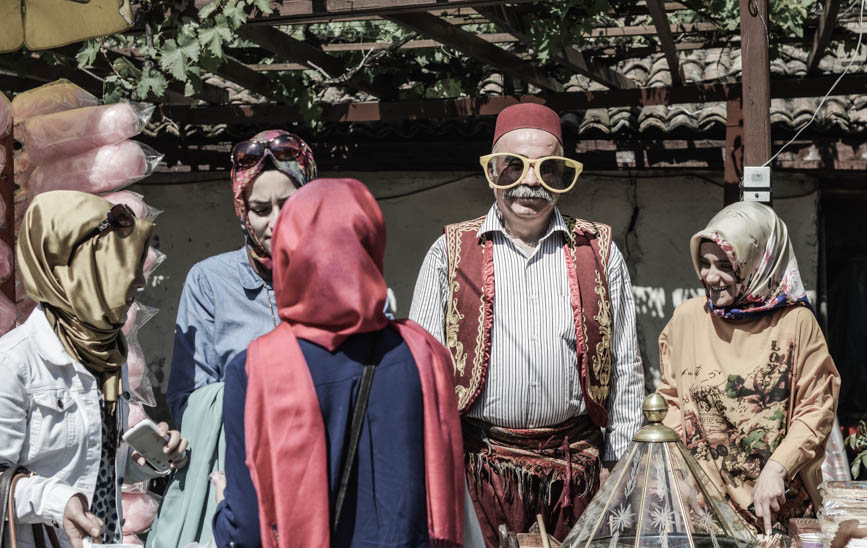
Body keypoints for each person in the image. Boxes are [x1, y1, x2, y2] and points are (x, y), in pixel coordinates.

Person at [409, 103, 644, 545]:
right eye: (512, 167)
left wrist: (620, 468)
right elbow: (421, 377)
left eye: (548, 169)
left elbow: (625, 367)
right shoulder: (449, 253)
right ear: (492, 170)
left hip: (578, 476)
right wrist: (430, 469)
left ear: (563, 175)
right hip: (478, 473)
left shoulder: (600, 251)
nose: (530, 182)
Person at [211, 178, 468, 548]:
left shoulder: (254, 370)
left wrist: (223, 509)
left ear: (287, 252)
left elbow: (248, 531)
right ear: (372, 246)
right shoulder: (424, 354)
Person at [0, 191, 187, 548]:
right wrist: (59, 501)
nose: (139, 282)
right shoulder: (14, 364)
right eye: (120, 266)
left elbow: (99, 466)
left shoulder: (107, 354)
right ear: (73, 270)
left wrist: (144, 457)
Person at [656, 200, 840, 535]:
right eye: (704, 263)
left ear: (758, 263)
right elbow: (670, 401)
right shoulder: (687, 319)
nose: (710, 277)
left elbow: (816, 408)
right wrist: (676, 472)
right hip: (703, 509)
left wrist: (777, 467)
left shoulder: (795, 323)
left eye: (725, 265)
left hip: (777, 508)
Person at [166, 129, 318, 423]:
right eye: (261, 210)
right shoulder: (209, 283)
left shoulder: (336, 278)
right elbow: (188, 401)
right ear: (243, 213)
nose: (277, 222)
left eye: (289, 205)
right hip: (240, 463)